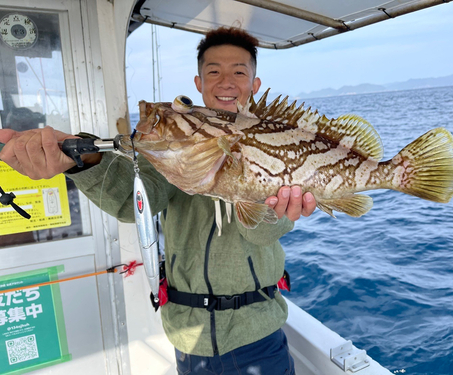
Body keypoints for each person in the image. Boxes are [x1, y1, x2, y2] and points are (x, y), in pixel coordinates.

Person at [0, 27, 316, 374]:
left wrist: (277, 211)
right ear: (199, 83)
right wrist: (83, 161)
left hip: (257, 335)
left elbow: (260, 233)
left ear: (254, 84)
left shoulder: (278, 138)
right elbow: (130, 201)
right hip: (187, 337)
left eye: (239, 72)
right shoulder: (173, 148)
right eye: (214, 71)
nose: (226, 82)